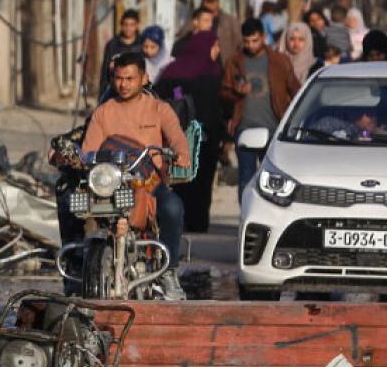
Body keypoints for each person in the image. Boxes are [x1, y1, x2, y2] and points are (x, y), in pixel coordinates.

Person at [60, 51, 191, 300]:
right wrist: (76, 159)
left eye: (130, 78)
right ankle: (76, 266)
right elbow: (89, 152)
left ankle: (169, 271)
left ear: (143, 78)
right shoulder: (103, 112)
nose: (124, 84)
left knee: (173, 207)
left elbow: (176, 137)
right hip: (110, 184)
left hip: (147, 183)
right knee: (70, 202)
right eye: (119, 78)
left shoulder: (159, 109)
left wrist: (180, 153)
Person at [154, 32, 223, 234]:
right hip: (204, 138)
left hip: (174, 135)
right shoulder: (212, 72)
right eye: (215, 46)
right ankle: (198, 223)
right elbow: (215, 109)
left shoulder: (170, 71)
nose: (217, 50)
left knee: (178, 179)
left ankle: (177, 221)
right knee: (201, 184)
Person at [221, 19, 301, 192]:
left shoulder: (280, 61)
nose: (251, 45)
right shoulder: (234, 63)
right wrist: (237, 91)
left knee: (273, 179)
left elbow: (295, 91)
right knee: (246, 179)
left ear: (264, 37)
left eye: (255, 40)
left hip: (274, 128)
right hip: (244, 128)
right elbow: (223, 93)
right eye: (247, 41)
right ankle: (246, 217)